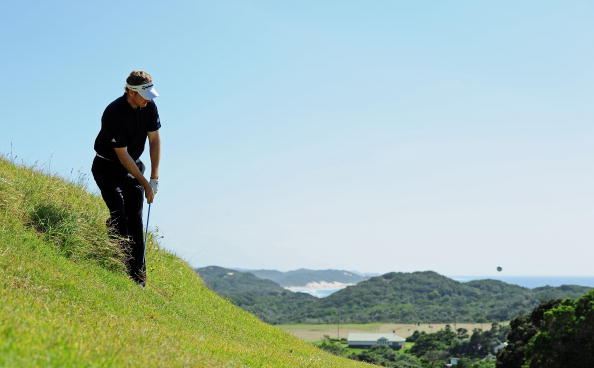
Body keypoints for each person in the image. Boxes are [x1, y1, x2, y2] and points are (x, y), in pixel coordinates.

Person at [91, 70, 162, 286]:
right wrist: (144, 184)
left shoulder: (149, 106)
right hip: (107, 167)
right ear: (131, 92)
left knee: (135, 219)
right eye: (145, 94)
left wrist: (154, 178)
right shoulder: (114, 112)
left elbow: (155, 141)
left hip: (133, 167)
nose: (149, 99)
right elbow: (122, 155)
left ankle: (138, 279)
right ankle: (116, 257)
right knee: (118, 213)